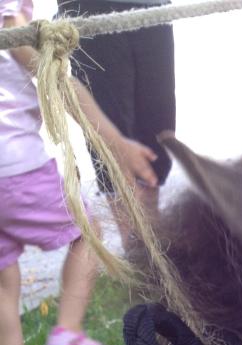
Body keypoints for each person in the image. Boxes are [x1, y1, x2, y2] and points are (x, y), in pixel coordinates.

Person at [0, 0, 158, 345]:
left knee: (4, 278)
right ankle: (67, 329)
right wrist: (117, 143)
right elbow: (52, 77)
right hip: (15, 168)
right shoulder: (9, 14)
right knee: (88, 234)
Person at [58, 0, 176, 247]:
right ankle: (136, 254)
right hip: (89, 8)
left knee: (159, 132)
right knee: (111, 133)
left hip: (152, 7)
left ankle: (155, 251)